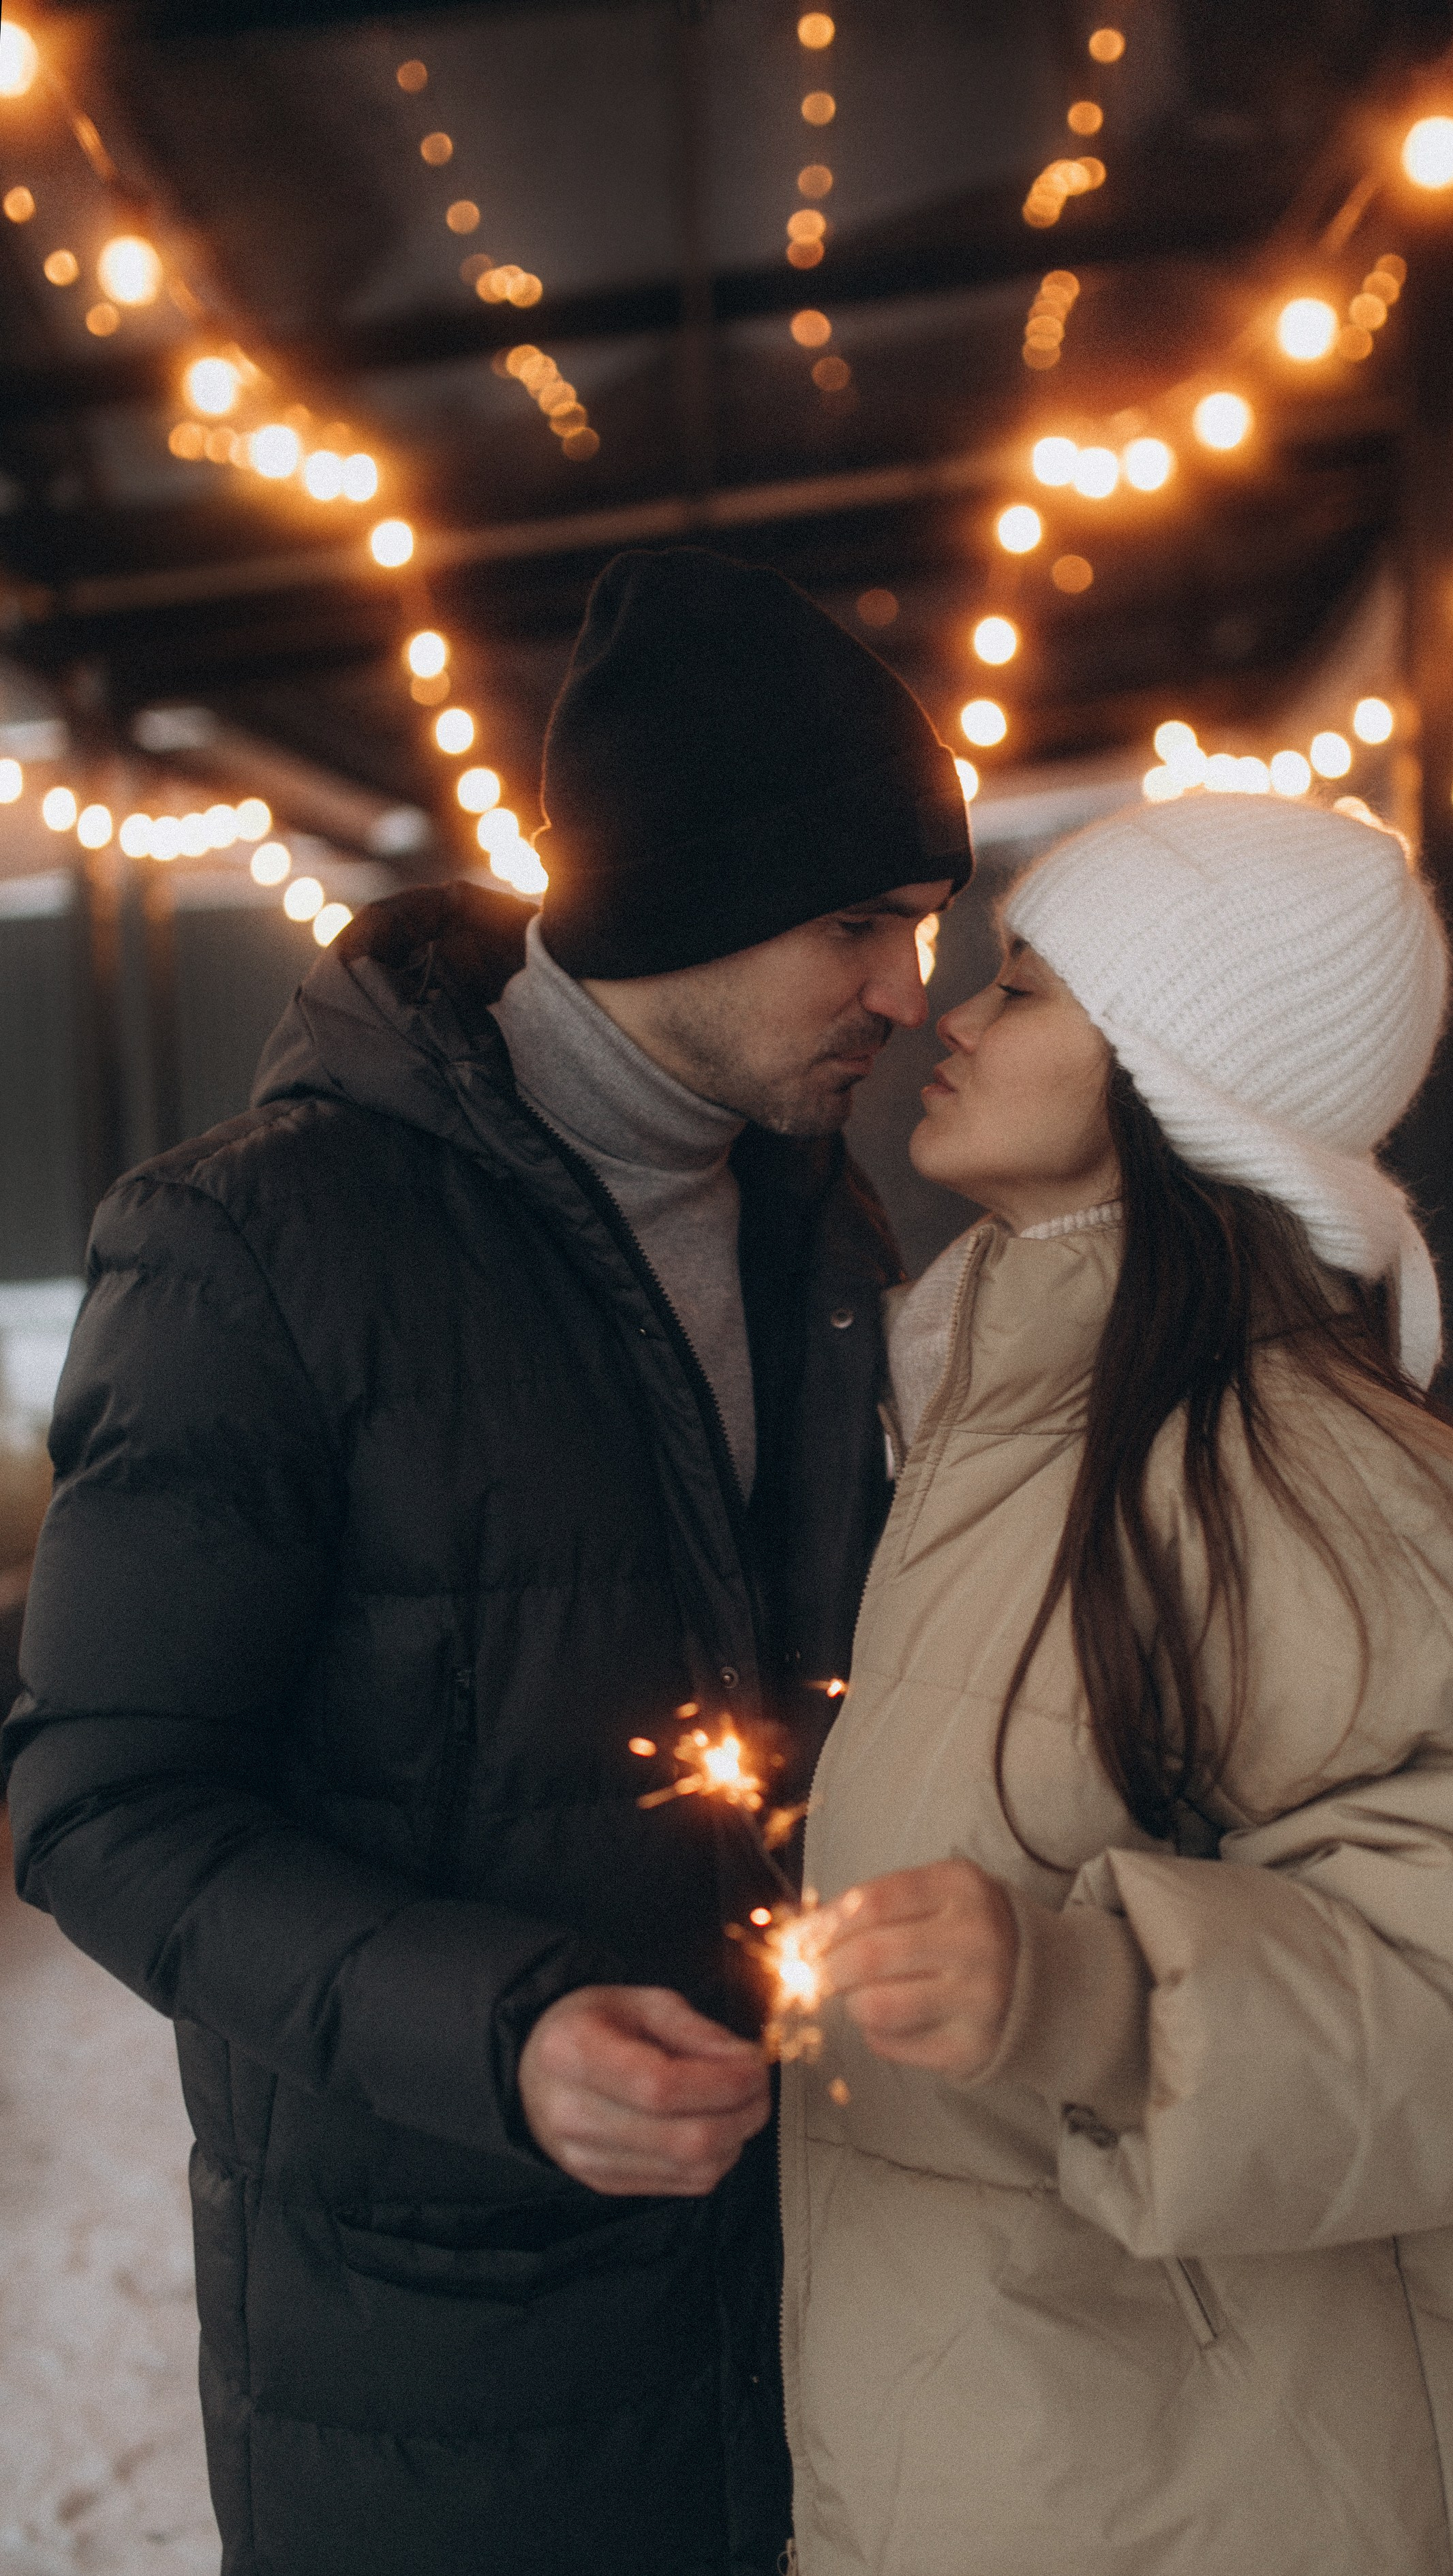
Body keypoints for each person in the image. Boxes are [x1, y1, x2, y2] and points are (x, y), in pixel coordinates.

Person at [1, 547, 972, 2576]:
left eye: (929, 923)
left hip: (817, 2280)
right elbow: (101, 1803)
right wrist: (501, 2028)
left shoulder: (825, 1227)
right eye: (861, 921)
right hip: (440, 2347)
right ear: (680, 897)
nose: (913, 991)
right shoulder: (255, 1248)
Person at [780, 793, 1453, 2576]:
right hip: (1039, 2444)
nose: (953, 1020)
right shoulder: (993, 1413)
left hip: (1242, 2486)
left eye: (1029, 991)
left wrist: (1096, 1993)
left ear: (1176, 1075)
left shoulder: (1313, 1490)